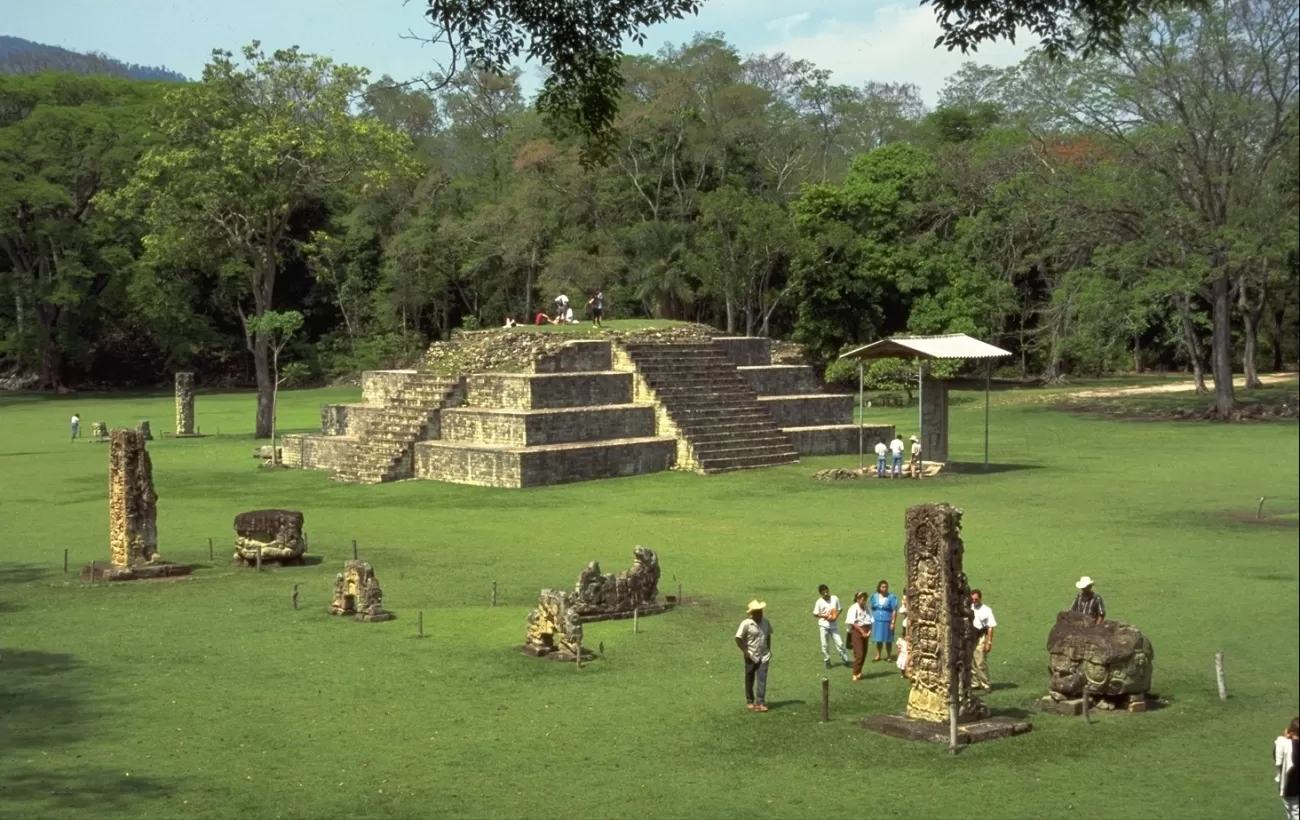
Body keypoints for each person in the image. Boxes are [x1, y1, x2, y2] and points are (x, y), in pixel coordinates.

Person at [735, 600, 773, 712]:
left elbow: (768, 636)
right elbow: (738, 638)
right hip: (751, 655)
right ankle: (750, 701)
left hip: (764, 655)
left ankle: (760, 702)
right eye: (757, 611)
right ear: (752, 613)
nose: (760, 613)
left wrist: (769, 650)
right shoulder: (746, 624)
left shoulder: (766, 622)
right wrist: (745, 651)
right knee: (750, 677)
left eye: (761, 611)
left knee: (762, 679)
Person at [812, 585, 850, 669]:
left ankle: (845, 660)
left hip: (834, 625)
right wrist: (825, 616)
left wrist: (835, 616)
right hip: (823, 625)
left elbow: (840, 609)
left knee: (840, 643)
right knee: (824, 645)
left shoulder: (834, 598)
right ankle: (827, 661)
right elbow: (815, 613)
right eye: (824, 593)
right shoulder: (819, 602)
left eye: (827, 591)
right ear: (821, 594)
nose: (826, 594)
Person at [970, 589, 997, 690]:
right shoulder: (969, 607)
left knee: (980, 662)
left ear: (980, 598)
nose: (974, 601)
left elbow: (990, 627)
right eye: (972, 599)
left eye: (976, 599)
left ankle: (985, 683)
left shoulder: (986, 610)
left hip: (980, 636)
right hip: (970, 637)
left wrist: (988, 642)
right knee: (971, 662)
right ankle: (974, 683)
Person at [845, 591, 872, 681]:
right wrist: (862, 632)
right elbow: (853, 623)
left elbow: (871, 620)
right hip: (857, 632)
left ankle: (859, 672)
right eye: (863, 599)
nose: (865, 601)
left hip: (866, 631)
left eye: (865, 600)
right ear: (858, 599)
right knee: (859, 654)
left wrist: (869, 631)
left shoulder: (867, 608)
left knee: (864, 653)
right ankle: (855, 672)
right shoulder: (853, 608)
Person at [869, 580, 899, 661]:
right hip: (878, 620)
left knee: (888, 639)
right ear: (879, 587)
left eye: (886, 587)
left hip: (887, 620)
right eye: (883, 587)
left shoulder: (891, 597)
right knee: (879, 639)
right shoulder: (875, 596)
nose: (884, 589)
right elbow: (872, 607)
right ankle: (878, 655)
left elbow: (894, 610)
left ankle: (889, 656)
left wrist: (893, 622)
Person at [1276, 717, 1299, 820]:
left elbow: (1276, 755)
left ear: (1291, 731)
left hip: (1292, 788)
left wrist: (1285, 737)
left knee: (1294, 813)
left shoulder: (1286, 745)